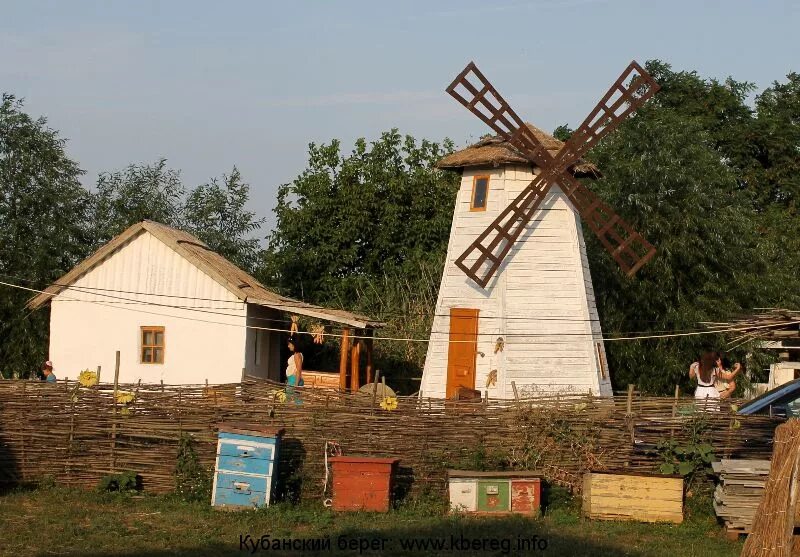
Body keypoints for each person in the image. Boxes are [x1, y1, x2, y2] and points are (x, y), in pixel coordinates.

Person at [285, 336, 304, 402]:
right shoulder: (297, 354)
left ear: (294, 344)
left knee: (291, 401)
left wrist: (296, 385)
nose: (288, 346)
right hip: (292, 379)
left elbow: (298, 370)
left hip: (294, 380)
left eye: (289, 344)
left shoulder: (297, 355)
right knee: (294, 400)